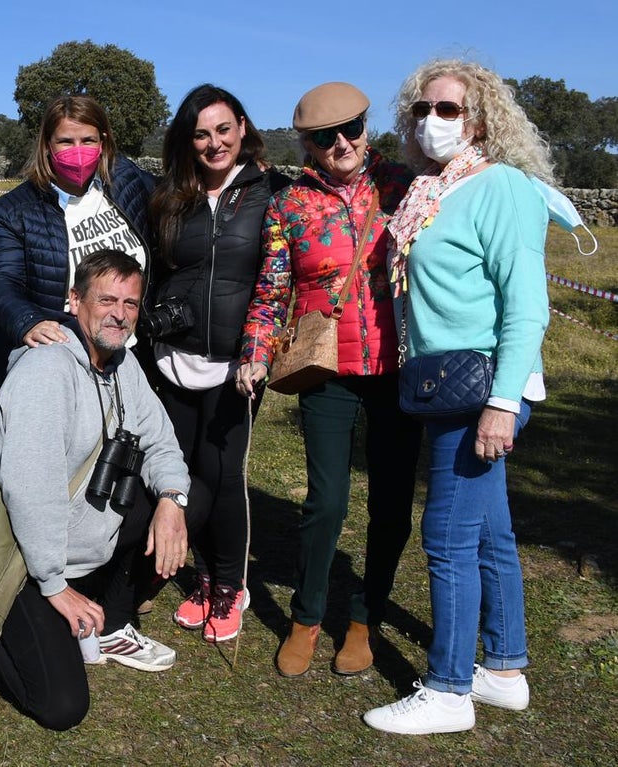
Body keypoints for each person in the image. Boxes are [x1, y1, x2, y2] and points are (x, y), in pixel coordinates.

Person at [364, 59, 553, 735]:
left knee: (446, 535)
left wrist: (503, 403)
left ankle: (446, 688)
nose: (432, 121)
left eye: (449, 110)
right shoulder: (432, 188)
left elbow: (528, 308)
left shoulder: (501, 186)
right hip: (444, 381)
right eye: (421, 109)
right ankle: (502, 669)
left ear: (482, 119)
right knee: (490, 532)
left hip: (481, 388)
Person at [237, 82, 422, 676]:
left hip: (398, 367)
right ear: (308, 145)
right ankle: (307, 617)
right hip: (327, 369)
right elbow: (271, 289)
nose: (341, 143)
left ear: (368, 127)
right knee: (326, 503)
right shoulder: (289, 205)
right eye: (324, 136)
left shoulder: (404, 186)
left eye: (352, 129)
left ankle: (365, 618)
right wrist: (255, 353)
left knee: (392, 502)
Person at [0, 249, 194, 730]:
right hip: (20, 558)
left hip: (77, 542)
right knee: (62, 708)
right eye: (106, 300)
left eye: (131, 303)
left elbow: (161, 440)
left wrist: (171, 500)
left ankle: (113, 619)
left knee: (187, 496)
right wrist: (55, 586)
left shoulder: (124, 365)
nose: (119, 313)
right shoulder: (46, 372)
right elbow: (29, 493)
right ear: (74, 300)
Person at [147, 84, 291, 643]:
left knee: (223, 474)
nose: (214, 143)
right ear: (187, 140)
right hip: (172, 359)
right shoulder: (167, 196)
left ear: (242, 127)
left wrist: (261, 350)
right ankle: (204, 575)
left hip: (236, 366)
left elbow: (281, 277)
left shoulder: (271, 192)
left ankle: (232, 584)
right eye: (201, 133)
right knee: (182, 474)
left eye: (223, 130)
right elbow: (152, 267)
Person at [0, 95, 155, 390]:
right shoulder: (13, 211)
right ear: (47, 145)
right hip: (61, 359)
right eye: (65, 141)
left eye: (88, 140)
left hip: (130, 355)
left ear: (103, 141)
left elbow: (177, 200)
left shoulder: (126, 181)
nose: (78, 151)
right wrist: (28, 321)